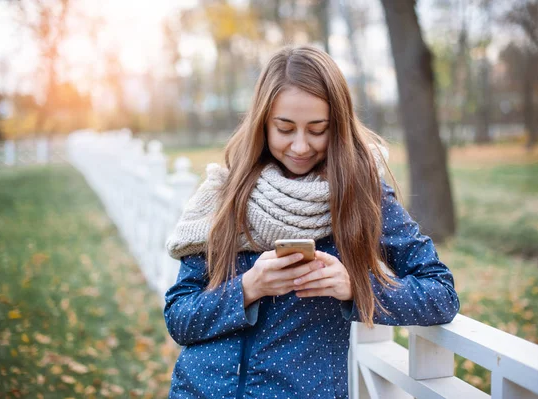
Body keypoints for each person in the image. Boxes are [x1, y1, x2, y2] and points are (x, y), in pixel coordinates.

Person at [164, 45, 459, 399]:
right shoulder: (224, 194)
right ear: (263, 123)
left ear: (338, 127)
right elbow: (179, 317)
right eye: (285, 128)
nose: (301, 146)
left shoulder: (361, 195)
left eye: (317, 129)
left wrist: (355, 286)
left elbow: (441, 293)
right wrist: (248, 288)